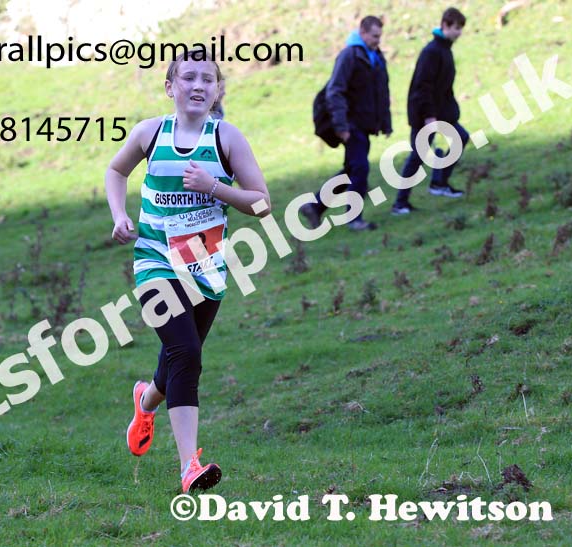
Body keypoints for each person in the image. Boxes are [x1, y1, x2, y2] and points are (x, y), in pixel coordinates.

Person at [105, 51, 270, 493]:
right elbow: (116, 170)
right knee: (187, 355)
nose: (198, 85)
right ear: (170, 86)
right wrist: (120, 215)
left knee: (180, 355)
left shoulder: (227, 139)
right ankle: (188, 467)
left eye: (208, 79)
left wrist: (215, 187)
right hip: (155, 261)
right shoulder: (150, 133)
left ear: (218, 91)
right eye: (188, 77)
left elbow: (262, 203)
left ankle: (146, 399)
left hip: (207, 268)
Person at [300, 15, 392, 231]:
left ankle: (315, 207)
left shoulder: (375, 57)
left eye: (380, 36)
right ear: (362, 32)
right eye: (374, 36)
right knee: (360, 168)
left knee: (352, 170)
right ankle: (354, 219)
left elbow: (382, 92)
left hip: (364, 124)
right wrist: (341, 126)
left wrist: (385, 123)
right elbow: (335, 91)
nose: (377, 40)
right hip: (350, 125)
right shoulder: (350, 56)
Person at [392, 7, 469, 215]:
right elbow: (422, 86)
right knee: (418, 156)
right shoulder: (432, 51)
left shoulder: (445, 49)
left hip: (442, 112)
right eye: (456, 28)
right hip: (426, 114)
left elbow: (443, 86)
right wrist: (428, 116)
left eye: (461, 28)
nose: (459, 33)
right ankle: (400, 203)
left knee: (461, 137)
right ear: (444, 25)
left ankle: (439, 182)